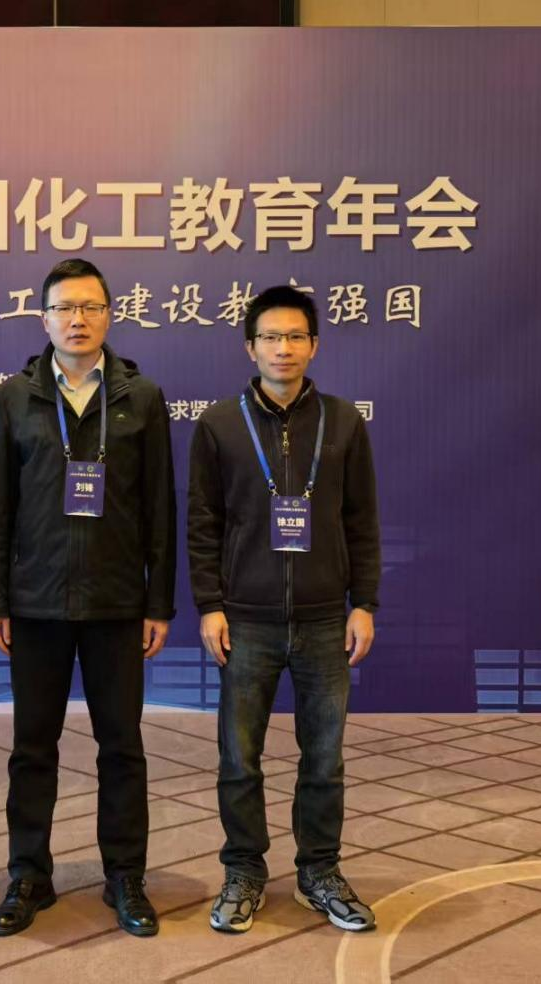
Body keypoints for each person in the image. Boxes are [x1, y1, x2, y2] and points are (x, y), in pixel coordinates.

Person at [0, 258, 176, 938]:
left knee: (122, 747)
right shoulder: (16, 397)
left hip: (117, 605)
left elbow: (159, 507)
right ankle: (28, 875)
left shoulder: (141, 397)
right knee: (32, 747)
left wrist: (158, 603)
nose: (77, 319)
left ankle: (125, 875)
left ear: (110, 315)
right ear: (44, 319)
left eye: (90, 307)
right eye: (64, 308)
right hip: (35, 604)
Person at [187, 285, 380, 935]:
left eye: (296, 336)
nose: (283, 348)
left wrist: (364, 603)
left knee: (323, 758)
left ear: (314, 345)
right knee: (239, 759)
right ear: (251, 347)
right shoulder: (219, 424)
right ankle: (244, 871)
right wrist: (210, 605)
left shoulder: (343, 422)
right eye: (271, 337)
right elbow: (203, 524)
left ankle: (319, 871)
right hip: (246, 619)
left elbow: (362, 521)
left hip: (326, 619)